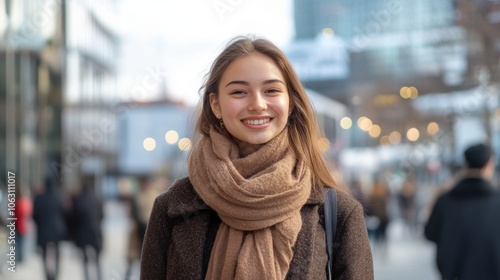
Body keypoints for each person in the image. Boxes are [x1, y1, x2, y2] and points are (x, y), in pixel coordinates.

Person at [140, 36, 374, 279]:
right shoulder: (172, 208)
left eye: (271, 90)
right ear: (216, 104)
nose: (257, 104)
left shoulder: (337, 213)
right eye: (239, 92)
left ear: (290, 102)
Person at [425, 143, 500, 280]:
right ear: (489, 165)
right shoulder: (496, 201)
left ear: (466, 164)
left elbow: (430, 233)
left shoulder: (445, 200)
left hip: (455, 274)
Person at [69, 175, 104, 280]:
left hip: (83, 234)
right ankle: (99, 277)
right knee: (97, 260)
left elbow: (74, 218)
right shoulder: (97, 199)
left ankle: (87, 277)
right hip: (95, 232)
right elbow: (102, 216)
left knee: (85, 260)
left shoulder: (79, 200)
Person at [33, 178, 68, 280]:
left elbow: (35, 215)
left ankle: (47, 274)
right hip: (57, 230)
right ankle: (55, 274)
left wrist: (39, 223)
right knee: (57, 252)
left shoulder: (39, 198)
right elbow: (65, 213)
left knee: (43, 254)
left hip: (43, 230)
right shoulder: (59, 197)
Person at [14, 186, 33, 264]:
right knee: (22, 243)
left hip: (19, 225)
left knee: (19, 243)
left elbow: (16, 214)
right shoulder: (27, 203)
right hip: (23, 226)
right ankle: (21, 258)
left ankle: (19, 259)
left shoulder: (19, 203)